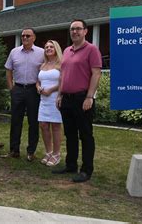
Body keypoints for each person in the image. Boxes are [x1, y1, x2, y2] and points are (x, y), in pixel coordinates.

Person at [54, 19, 102, 183]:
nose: (74, 32)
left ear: (85, 31)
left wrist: (90, 96)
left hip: (82, 98)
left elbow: (96, 74)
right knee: (70, 134)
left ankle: (86, 170)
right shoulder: (67, 50)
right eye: (72, 29)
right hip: (66, 99)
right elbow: (62, 75)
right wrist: (59, 95)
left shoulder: (92, 50)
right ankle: (71, 165)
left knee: (86, 135)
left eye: (78, 29)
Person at [3, 28, 44, 161]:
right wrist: (11, 88)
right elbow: (8, 70)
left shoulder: (41, 53)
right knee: (16, 121)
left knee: (33, 122)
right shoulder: (14, 52)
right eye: (23, 36)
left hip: (33, 90)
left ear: (34, 37)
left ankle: (31, 152)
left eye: (28, 35)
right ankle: (14, 150)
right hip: (18, 89)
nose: (25, 38)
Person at [36, 40, 63, 167]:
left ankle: (57, 154)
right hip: (43, 100)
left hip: (55, 98)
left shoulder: (61, 64)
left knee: (56, 126)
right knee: (43, 125)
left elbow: (64, 82)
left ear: (56, 48)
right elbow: (38, 81)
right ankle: (48, 152)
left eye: (51, 46)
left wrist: (51, 90)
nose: (48, 48)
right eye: (46, 47)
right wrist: (38, 87)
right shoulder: (43, 65)